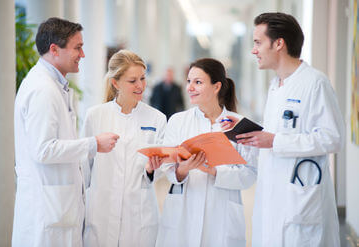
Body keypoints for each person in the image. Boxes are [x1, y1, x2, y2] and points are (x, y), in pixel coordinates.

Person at [227, 12, 344, 246]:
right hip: (273, 197)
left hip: (301, 199)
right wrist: (247, 130)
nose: (253, 50)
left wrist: (274, 141)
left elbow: (333, 138)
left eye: (258, 43)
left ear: (279, 43)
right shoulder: (275, 86)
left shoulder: (314, 83)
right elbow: (278, 132)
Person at [12, 18, 118, 247]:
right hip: (48, 211)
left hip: (57, 209)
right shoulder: (42, 90)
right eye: (77, 47)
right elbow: (43, 149)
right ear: (54, 50)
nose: (83, 54)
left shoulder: (53, 85)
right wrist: (93, 144)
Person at [155, 58, 258, 247]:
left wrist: (214, 171)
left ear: (216, 86)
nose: (190, 88)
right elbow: (167, 167)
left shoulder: (238, 125)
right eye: (188, 81)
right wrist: (182, 170)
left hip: (221, 215)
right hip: (183, 213)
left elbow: (249, 175)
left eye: (198, 82)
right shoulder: (178, 121)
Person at [82, 50, 167, 247]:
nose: (140, 86)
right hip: (101, 214)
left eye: (143, 79)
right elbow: (84, 169)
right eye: (132, 81)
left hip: (139, 216)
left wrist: (152, 170)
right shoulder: (95, 116)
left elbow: (161, 170)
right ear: (115, 83)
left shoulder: (157, 119)